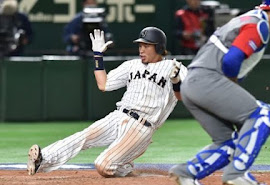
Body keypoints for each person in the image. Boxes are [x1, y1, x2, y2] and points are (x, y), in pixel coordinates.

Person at [27, 27, 188, 178]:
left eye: (146, 45)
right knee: (83, 137)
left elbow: (181, 96)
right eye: (140, 45)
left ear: (159, 48)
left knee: (103, 165)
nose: (141, 49)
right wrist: (98, 54)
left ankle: (124, 166)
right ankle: (43, 159)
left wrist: (176, 81)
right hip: (118, 116)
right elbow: (103, 84)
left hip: (141, 126)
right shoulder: (131, 65)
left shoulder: (173, 67)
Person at [169, 0, 270, 185]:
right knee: (262, 114)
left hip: (193, 84)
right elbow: (231, 61)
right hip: (207, 80)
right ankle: (237, 174)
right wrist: (232, 88)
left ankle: (186, 174)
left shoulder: (249, 18)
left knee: (228, 142)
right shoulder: (259, 24)